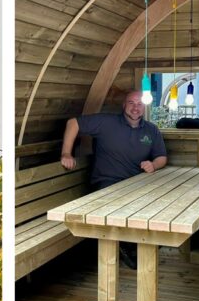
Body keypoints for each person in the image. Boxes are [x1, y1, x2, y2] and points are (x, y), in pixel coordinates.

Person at [61, 90, 168, 268]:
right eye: (132, 103)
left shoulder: (151, 129)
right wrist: (66, 153)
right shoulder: (106, 122)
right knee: (124, 205)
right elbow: (73, 123)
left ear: (145, 107)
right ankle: (126, 248)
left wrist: (153, 165)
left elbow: (162, 157)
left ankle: (137, 246)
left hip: (136, 185)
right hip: (107, 183)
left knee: (158, 201)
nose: (136, 107)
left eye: (140, 104)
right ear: (124, 105)